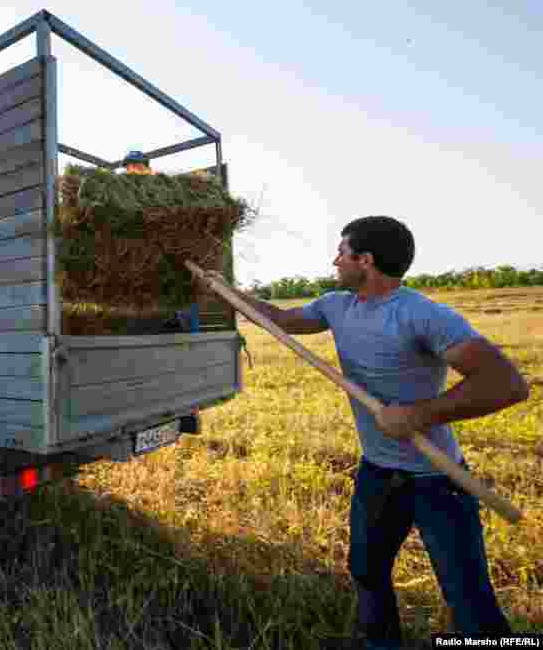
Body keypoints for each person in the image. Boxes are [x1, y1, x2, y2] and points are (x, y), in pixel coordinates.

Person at [199, 216, 529, 646]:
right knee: (367, 572)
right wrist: (226, 290)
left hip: (438, 477)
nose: (335, 261)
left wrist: (418, 414)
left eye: (342, 252)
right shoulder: (337, 305)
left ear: (365, 261)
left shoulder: (423, 315)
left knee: (468, 598)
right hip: (377, 473)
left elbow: (507, 384)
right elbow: (280, 318)